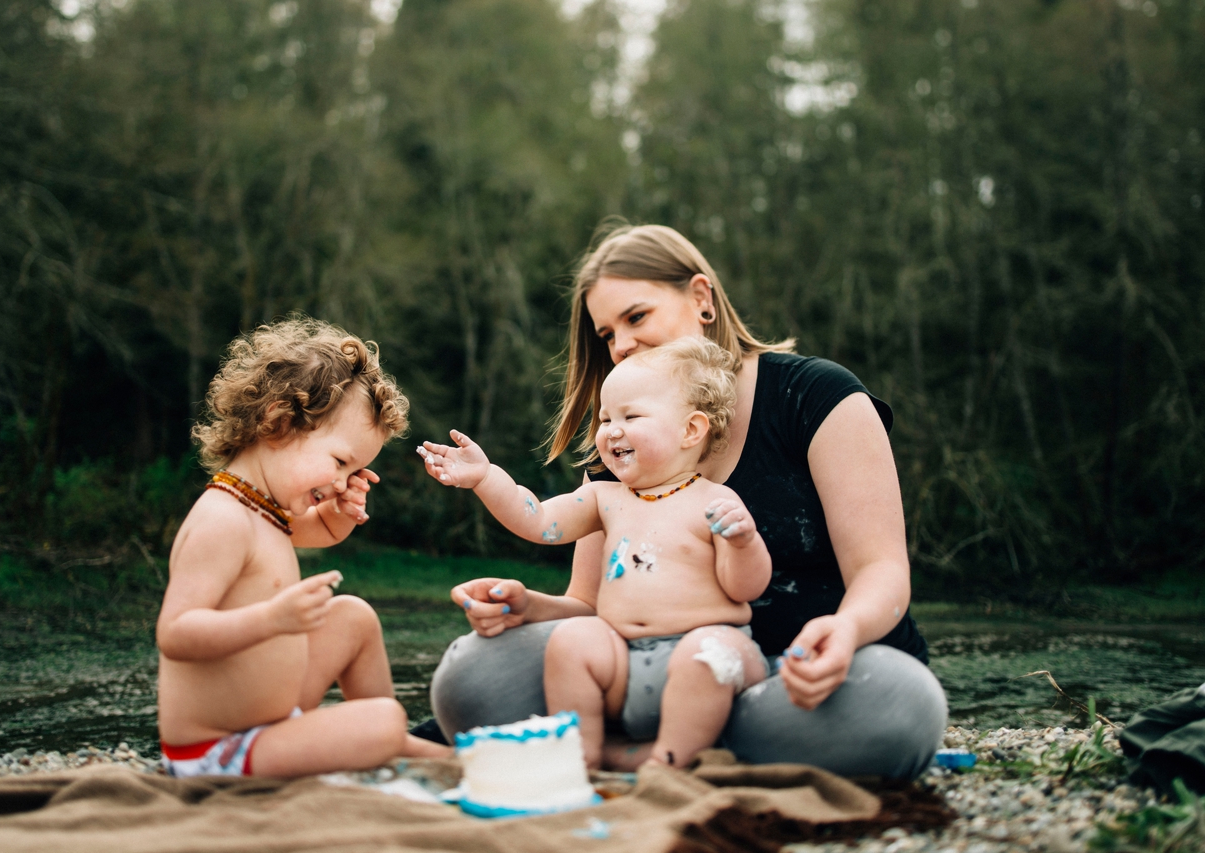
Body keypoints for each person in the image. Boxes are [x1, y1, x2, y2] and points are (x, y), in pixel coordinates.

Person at [428, 224, 947, 780]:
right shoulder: (625, 445)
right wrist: (529, 606)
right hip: (644, 674)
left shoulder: (815, 396)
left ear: (701, 298)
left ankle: (648, 748)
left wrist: (846, 631)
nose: (621, 344)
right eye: (606, 334)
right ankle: (682, 750)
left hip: (794, 680)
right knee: (470, 678)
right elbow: (591, 606)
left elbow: (882, 570)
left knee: (902, 707)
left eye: (636, 317)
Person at [419, 339, 771, 769]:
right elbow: (539, 521)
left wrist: (743, 541)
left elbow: (745, 587)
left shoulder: (714, 502)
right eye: (605, 418)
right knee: (574, 640)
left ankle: (669, 760)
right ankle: (583, 754)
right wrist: (486, 477)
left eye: (631, 416)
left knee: (708, 651)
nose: (611, 430)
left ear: (691, 430)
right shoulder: (605, 497)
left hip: (704, 659)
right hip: (623, 663)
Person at [157, 317, 449, 778]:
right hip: (221, 752)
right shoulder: (223, 519)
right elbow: (174, 634)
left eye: (353, 472)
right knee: (384, 720)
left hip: (270, 721)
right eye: (339, 462)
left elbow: (320, 534)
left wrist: (338, 514)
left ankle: (394, 744)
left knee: (353, 617)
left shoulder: (263, 508)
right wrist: (272, 620)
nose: (340, 482)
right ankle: (395, 741)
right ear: (278, 421)